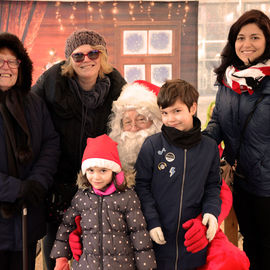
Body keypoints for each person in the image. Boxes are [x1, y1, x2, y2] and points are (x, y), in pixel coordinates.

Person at [69, 80, 250, 269]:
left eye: (141, 119)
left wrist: (206, 219)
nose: (132, 128)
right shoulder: (108, 165)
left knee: (230, 259)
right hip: (134, 242)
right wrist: (84, 232)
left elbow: (216, 189)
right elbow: (94, 201)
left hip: (189, 235)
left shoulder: (202, 147)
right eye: (126, 121)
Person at [32, 29, 126, 269]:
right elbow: (29, 117)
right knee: (57, 256)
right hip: (58, 185)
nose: (87, 59)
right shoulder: (50, 83)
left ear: (103, 56)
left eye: (93, 52)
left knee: (97, 256)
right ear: (68, 61)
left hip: (99, 183)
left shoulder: (117, 87)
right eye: (78, 55)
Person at [203, 9, 270, 270]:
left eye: (255, 37)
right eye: (241, 38)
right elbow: (218, 121)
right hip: (239, 178)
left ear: (267, 41)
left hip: (267, 182)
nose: (247, 44)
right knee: (250, 242)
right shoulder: (227, 79)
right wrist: (197, 147)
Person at [134, 79, 222, 269]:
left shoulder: (209, 147)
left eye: (177, 111)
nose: (170, 119)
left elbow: (213, 185)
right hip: (158, 238)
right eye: (165, 113)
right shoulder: (152, 145)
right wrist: (151, 221)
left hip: (192, 242)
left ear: (192, 108)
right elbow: (141, 186)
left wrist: (211, 212)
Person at [50, 134, 157, 270]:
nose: (96, 177)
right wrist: (61, 257)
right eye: (91, 170)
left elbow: (139, 234)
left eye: (103, 171)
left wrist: (147, 267)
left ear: (113, 170)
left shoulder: (127, 197)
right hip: (86, 265)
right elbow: (66, 226)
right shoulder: (81, 197)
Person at [0, 32, 59, 269]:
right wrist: (16, 189)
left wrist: (36, 182)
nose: (6, 67)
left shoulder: (34, 103)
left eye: (12, 61)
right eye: (0, 60)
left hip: (27, 218)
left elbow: (50, 143)